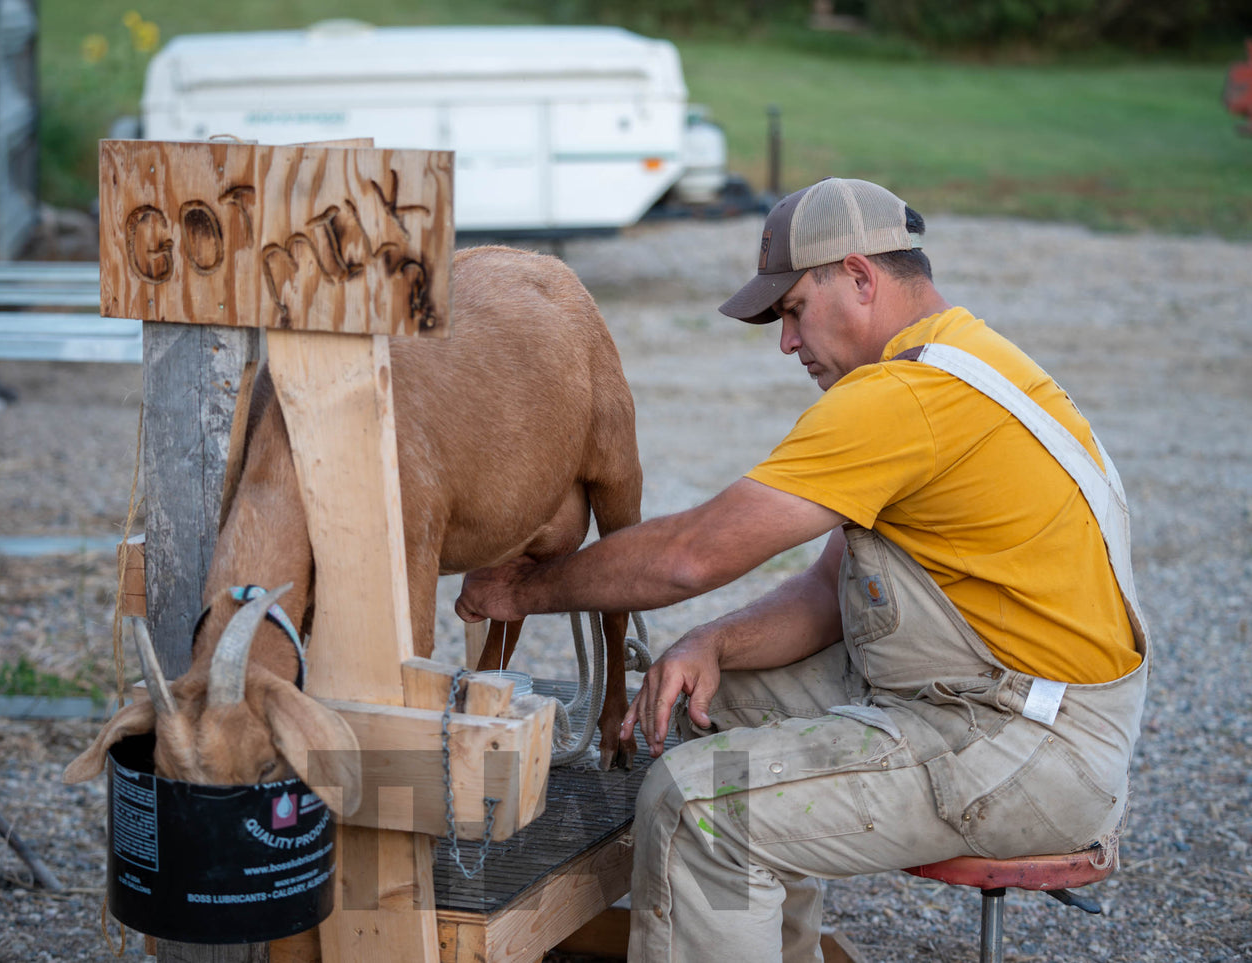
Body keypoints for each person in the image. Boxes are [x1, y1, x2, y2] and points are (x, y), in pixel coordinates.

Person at [454, 177, 1149, 962]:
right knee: (691, 709)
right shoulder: (967, 359)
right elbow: (828, 591)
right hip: (987, 695)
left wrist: (523, 588)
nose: (786, 343)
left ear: (859, 276)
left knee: (697, 808)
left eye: (791, 312)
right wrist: (712, 644)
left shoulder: (904, 398)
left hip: (1021, 745)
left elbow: (692, 554)